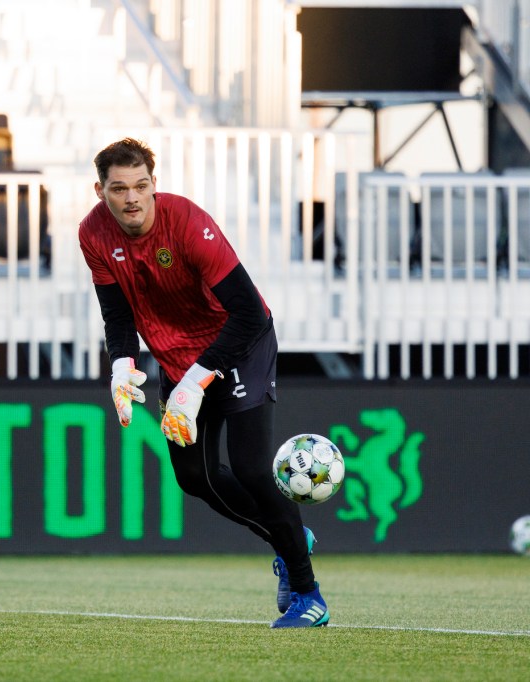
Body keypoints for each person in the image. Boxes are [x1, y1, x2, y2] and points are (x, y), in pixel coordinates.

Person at [78, 138, 327, 629]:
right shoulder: (92, 232)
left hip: (240, 346)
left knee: (255, 471)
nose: (132, 199)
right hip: (178, 357)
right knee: (195, 478)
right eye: (119, 188)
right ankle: (290, 538)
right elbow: (117, 312)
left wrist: (195, 382)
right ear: (100, 190)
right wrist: (122, 366)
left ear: (155, 183)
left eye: (141, 186)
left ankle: (308, 594)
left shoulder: (188, 224)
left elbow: (249, 313)